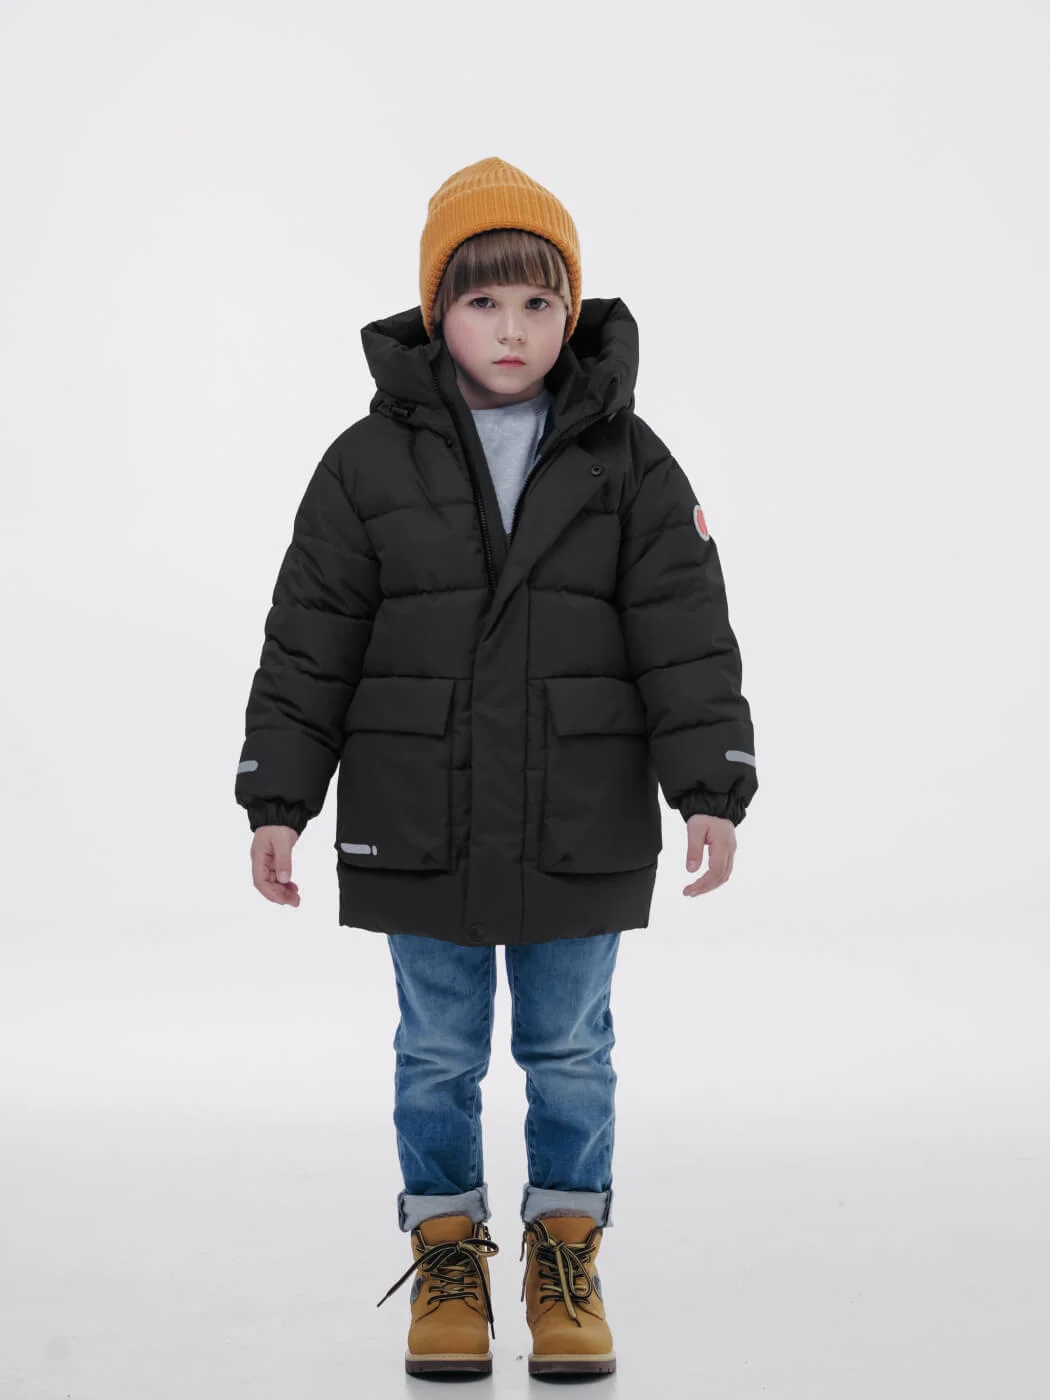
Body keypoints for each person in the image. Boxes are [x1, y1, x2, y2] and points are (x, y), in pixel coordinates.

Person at [234, 156, 758, 1378]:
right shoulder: (365, 466)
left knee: (570, 1047)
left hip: (582, 812)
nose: (512, 329)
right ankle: (448, 1254)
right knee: (436, 1049)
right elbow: (310, 637)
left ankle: (565, 1253)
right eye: (483, 302)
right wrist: (279, 798)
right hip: (421, 810)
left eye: (537, 302)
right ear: (437, 313)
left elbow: (685, 629)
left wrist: (711, 786)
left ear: (569, 313)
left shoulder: (629, 462)